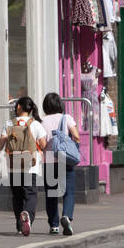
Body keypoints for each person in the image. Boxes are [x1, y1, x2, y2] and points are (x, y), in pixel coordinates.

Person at [0, 96, 47, 236]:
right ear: (31, 109)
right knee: (31, 194)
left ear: (19, 107)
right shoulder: (36, 125)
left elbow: (1, 144)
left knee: (17, 195)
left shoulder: (9, 124)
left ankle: (20, 226)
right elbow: (43, 145)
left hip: (13, 165)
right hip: (30, 166)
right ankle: (28, 217)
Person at [39, 93, 81, 234]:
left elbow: (43, 144)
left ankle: (54, 225)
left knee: (51, 194)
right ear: (60, 104)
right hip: (65, 160)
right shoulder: (66, 118)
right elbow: (76, 136)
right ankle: (67, 216)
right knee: (68, 192)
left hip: (49, 160)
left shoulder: (43, 121)